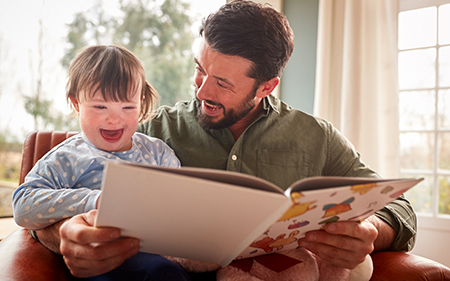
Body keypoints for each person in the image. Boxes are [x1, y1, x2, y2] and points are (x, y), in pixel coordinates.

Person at [32, 1, 416, 280]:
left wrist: (370, 232)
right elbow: (50, 195)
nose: (201, 90)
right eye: (200, 70)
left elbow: (399, 209)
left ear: (266, 86)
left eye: (222, 83)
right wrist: (62, 233)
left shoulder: (317, 138)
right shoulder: (149, 132)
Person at [12, 45, 190, 280]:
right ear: (76, 104)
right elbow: (24, 205)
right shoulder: (69, 156)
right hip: (99, 259)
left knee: (169, 272)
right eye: (100, 106)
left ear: (141, 102)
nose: (114, 118)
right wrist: (95, 201)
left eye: (128, 107)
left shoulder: (157, 152)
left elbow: (181, 202)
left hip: (159, 255)